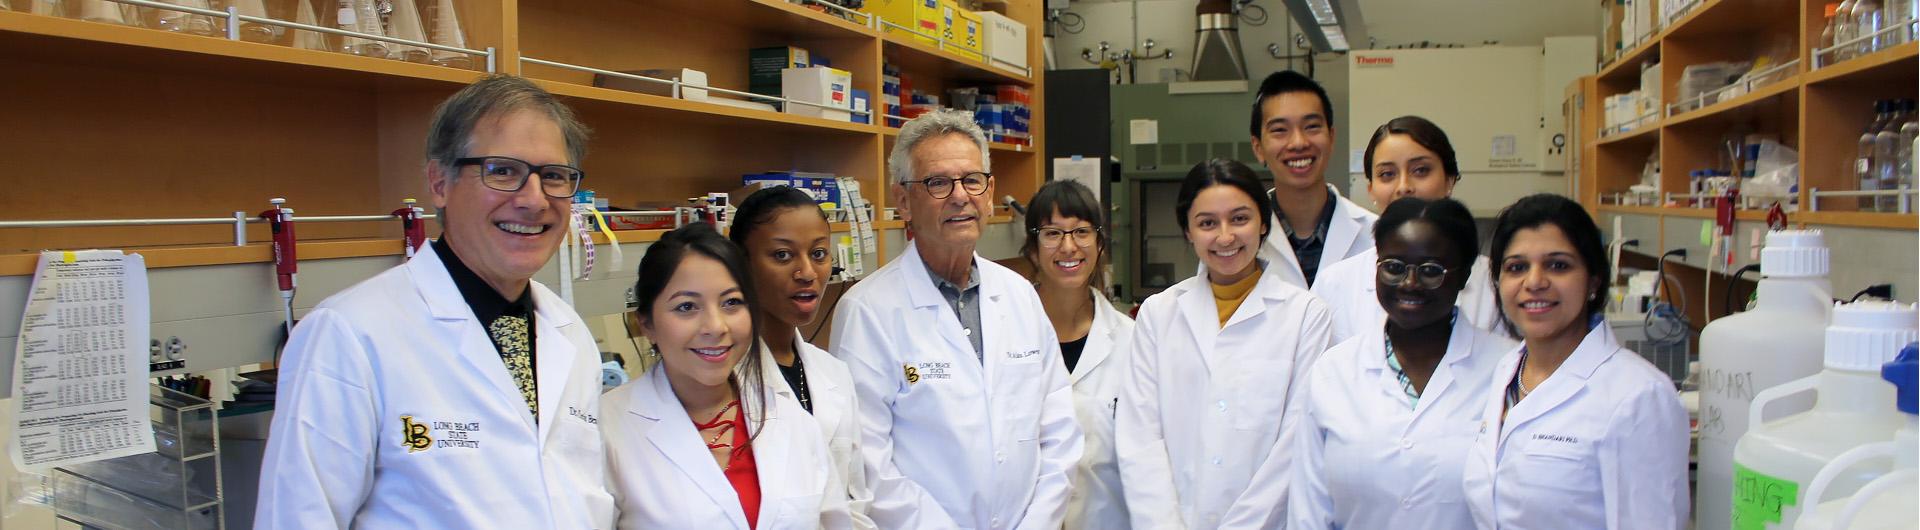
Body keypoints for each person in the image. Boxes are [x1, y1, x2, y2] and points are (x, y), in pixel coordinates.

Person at [256, 75, 614, 528]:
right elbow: (296, 518)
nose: (534, 200)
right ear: (438, 182)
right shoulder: (348, 334)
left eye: (554, 176)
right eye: (502, 171)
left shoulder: (568, 332)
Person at [829, 108, 1083, 529]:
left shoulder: (1019, 293)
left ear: (989, 191)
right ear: (903, 200)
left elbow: (1059, 430)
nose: (960, 195)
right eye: (938, 183)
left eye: (971, 180)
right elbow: (869, 462)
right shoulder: (867, 310)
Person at [1118, 158, 1333, 529]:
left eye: (1239, 218)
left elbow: (1296, 443)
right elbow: (1140, 437)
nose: (1225, 236)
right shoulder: (1158, 314)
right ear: (1188, 231)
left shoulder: (1306, 315)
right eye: (1206, 223)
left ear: (1264, 223)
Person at [599, 223, 850, 529]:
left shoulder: (794, 422)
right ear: (647, 324)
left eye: (732, 302)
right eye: (686, 306)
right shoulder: (607, 429)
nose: (716, 327)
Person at [1460, 194, 1689, 529]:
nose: (1534, 282)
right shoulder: (1508, 370)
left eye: (1558, 265)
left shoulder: (1639, 396)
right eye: (1516, 267)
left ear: (1594, 280)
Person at [1287, 197, 1516, 530]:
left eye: (1431, 271)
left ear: (1464, 275)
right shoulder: (1332, 372)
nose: (1409, 283)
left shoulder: (1506, 369)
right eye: (1394, 267)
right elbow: (1309, 509)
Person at [729, 186, 876, 529]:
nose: (807, 272)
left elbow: (855, 498)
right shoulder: (719, 378)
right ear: (740, 261)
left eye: (819, 253)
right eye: (783, 255)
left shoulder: (834, 373)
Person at [1310, 116, 1504, 345]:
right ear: (1371, 189)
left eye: (1421, 170)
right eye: (1387, 174)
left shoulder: (1492, 281)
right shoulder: (1335, 283)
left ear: (1450, 180)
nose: (1404, 187)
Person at [1020, 180, 1134, 529]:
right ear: (1033, 248)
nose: (1068, 247)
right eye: (1052, 233)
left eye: (1081, 231)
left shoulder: (1132, 342)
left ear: (1099, 244)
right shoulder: (1005, 333)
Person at [1244, 70, 1377, 288]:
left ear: (1331, 138)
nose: (1298, 143)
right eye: (1280, 130)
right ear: (1258, 148)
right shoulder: (1236, 241)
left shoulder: (1374, 236)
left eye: (1312, 126)